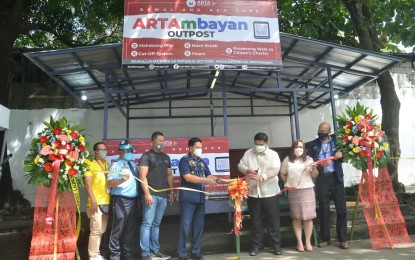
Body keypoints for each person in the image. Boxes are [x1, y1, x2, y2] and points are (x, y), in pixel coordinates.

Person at [177, 137, 222, 260]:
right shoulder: (184, 161)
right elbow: (188, 177)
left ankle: (195, 252)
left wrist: (217, 179)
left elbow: (209, 175)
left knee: (198, 227)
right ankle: (182, 254)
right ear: (190, 148)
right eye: (197, 147)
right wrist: (207, 180)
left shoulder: (202, 161)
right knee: (185, 227)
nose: (200, 149)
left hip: (200, 199)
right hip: (188, 199)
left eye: (201, 147)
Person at [237, 132, 282, 256]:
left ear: (266, 143)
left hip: (270, 193)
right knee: (255, 222)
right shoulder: (248, 153)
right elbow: (240, 165)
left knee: (273, 221)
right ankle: (256, 246)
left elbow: (275, 170)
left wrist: (261, 177)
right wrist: (247, 170)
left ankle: (276, 246)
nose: (258, 146)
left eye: (261, 144)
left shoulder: (273, 155)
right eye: (256, 144)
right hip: (253, 193)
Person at [306, 122, 349, 249]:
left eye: (324, 130)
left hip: (336, 178)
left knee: (341, 209)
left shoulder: (338, 141)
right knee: (324, 209)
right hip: (322, 179)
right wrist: (320, 165)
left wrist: (342, 153)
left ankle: (343, 239)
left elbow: (347, 153)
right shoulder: (313, 144)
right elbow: (310, 163)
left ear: (329, 131)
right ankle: (325, 238)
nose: (322, 132)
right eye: (320, 129)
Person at [139, 131, 174, 260]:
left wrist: (170, 192)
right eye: (159, 141)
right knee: (147, 224)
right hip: (151, 196)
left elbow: (169, 175)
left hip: (163, 196)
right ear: (152, 142)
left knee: (156, 224)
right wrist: (147, 194)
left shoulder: (166, 157)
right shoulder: (146, 156)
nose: (162, 143)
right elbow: (142, 177)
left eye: (163, 141)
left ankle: (155, 250)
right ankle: (145, 253)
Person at [279, 140, 318, 252]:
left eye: (301, 147)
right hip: (294, 192)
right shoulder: (287, 160)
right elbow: (282, 173)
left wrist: (314, 167)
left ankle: (308, 241)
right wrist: (288, 183)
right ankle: (299, 242)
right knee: (296, 217)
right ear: (292, 149)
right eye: (296, 147)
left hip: (307, 190)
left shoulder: (309, 160)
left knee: (308, 217)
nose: (298, 149)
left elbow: (314, 175)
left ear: (304, 149)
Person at [107, 140, 139, 260]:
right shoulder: (116, 165)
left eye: (131, 150)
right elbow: (109, 183)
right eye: (127, 150)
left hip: (133, 200)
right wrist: (121, 180)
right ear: (120, 151)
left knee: (130, 229)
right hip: (121, 200)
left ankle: (128, 255)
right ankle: (114, 256)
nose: (130, 152)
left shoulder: (133, 164)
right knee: (118, 229)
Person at [84, 142, 111, 260]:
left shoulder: (108, 165)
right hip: (95, 203)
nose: (103, 152)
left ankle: (97, 253)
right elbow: (87, 184)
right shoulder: (90, 164)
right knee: (95, 230)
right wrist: (93, 200)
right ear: (95, 152)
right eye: (101, 150)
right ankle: (93, 255)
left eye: (105, 149)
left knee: (101, 230)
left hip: (107, 202)